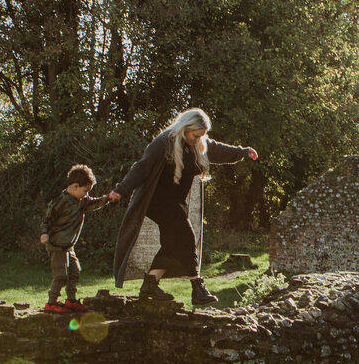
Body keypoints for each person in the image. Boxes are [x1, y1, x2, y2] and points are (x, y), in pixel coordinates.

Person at [108, 108, 257, 305]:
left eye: (202, 135)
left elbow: (219, 150)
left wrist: (243, 152)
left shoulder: (198, 144)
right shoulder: (164, 142)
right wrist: (121, 190)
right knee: (187, 237)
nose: (198, 139)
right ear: (185, 128)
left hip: (175, 203)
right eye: (196, 135)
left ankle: (150, 286)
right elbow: (142, 168)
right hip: (157, 202)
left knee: (172, 244)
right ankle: (198, 288)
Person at [40, 163, 111, 313]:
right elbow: (48, 219)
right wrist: (44, 233)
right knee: (60, 275)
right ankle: (51, 303)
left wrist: (108, 198)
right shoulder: (61, 201)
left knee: (75, 272)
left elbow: (94, 203)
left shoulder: (82, 201)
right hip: (56, 245)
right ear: (74, 186)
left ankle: (71, 300)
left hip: (68, 246)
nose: (86, 195)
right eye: (85, 191)